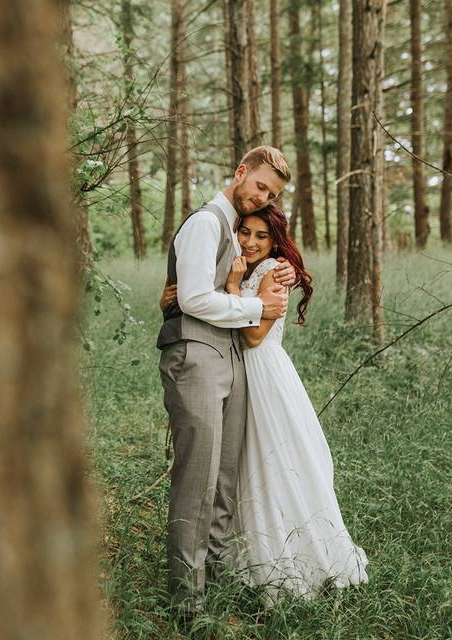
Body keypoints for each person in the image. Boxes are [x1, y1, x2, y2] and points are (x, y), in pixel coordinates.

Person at [162, 204, 369, 605]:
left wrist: (237, 287)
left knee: (275, 461)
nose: (251, 242)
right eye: (245, 233)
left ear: (276, 241)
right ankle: (233, 553)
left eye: (262, 236)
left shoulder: (273, 270)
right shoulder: (232, 262)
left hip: (263, 371)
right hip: (238, 371)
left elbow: (255, 336)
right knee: (239, 465)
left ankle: (287, 556)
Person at [155, 146, 296, 617]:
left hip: (229, 357)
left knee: (224, 478)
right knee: (197, 478)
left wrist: (280, 273)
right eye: (259, 186)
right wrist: (257, 307)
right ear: (240, 172)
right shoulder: (205, 223)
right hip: (196, 356)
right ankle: (187, 601)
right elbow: (194, 298)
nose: (261, 197)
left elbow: (208, 288)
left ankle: (211, 579)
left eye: (271, 194)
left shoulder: (235, 233)